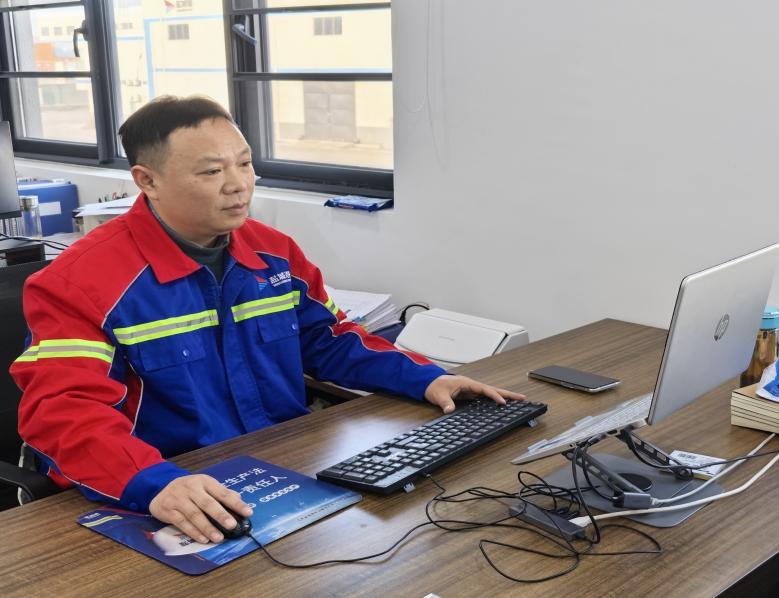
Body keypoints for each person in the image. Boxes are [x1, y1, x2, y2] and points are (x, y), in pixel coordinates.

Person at [11, 95, 523, 545]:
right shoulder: (80, 282)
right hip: (172, 489)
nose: (238, 185)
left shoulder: (273, 253)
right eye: (211, 172)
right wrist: (155, 483)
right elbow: (64, 412)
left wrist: (428, 378)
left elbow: (330, 338)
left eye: (245, 164)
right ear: (148, 181)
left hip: (286, 467)